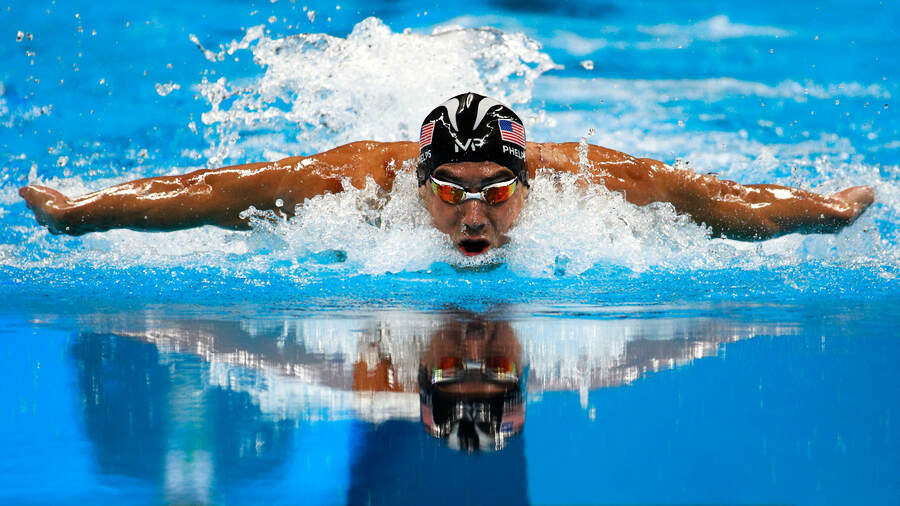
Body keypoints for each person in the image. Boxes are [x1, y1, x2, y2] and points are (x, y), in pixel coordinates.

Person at [19, 92, 874, 256]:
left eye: (497, 191)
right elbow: (212, 193)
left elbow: (728, 203)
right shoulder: (351, 184)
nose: (475, 216)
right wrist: (83, 212)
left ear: (528, 182)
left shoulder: (598, 183)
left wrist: (825, 213)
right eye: (453, 191)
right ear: (418, 183)